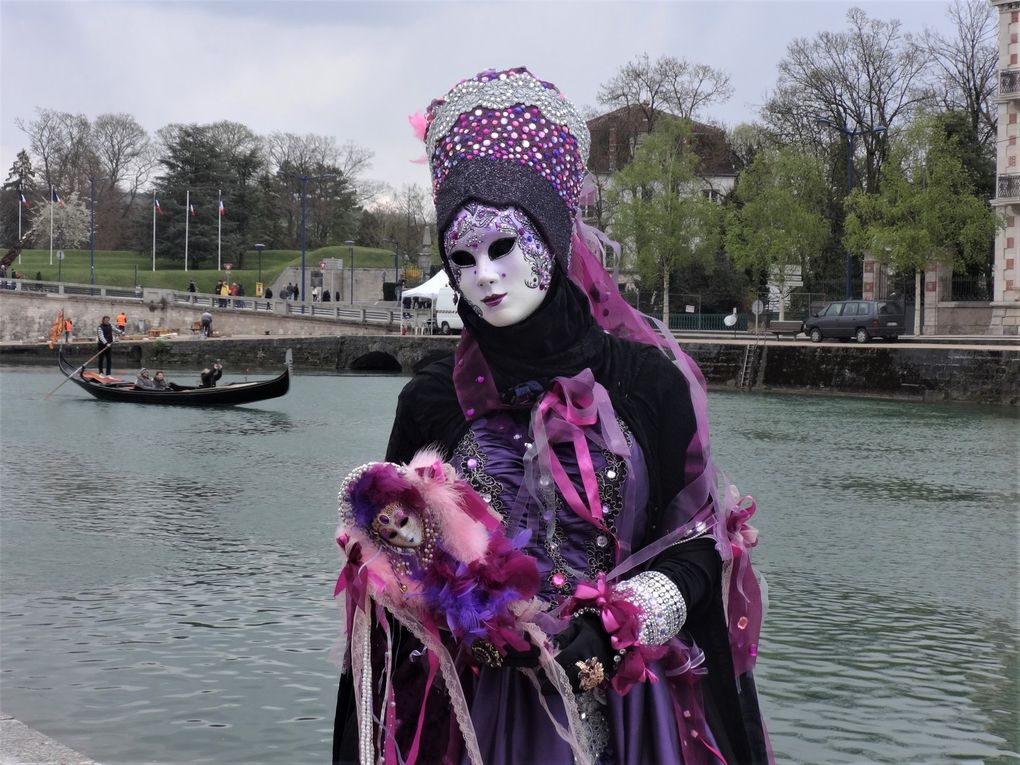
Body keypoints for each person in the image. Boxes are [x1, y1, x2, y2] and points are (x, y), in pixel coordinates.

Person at [331, 68, 771, 765]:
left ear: (555, 237)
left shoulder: (647, 385)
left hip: (624, 715)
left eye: (504, 246)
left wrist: (615, 624)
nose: (485, 276)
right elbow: (393, 550)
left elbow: (698, 544)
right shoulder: (432, 399)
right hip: (471, 718)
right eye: (462, 258)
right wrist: (458, 611)